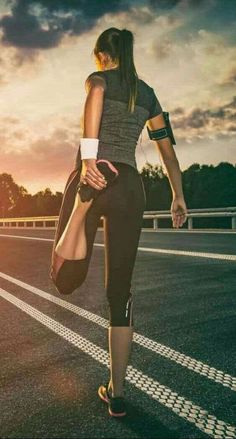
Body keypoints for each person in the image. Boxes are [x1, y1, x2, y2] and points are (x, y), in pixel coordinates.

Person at [51, 27, 188, 417]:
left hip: (94, 176)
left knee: (64, 277)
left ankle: (81, 206)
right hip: (129, 185)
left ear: (101, 54)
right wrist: (178, 195)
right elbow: (167, 151)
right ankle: (119, 391)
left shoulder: (99, 79)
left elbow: (95, 92)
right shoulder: (148, 94)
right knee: (120, 294)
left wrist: (89, 162)